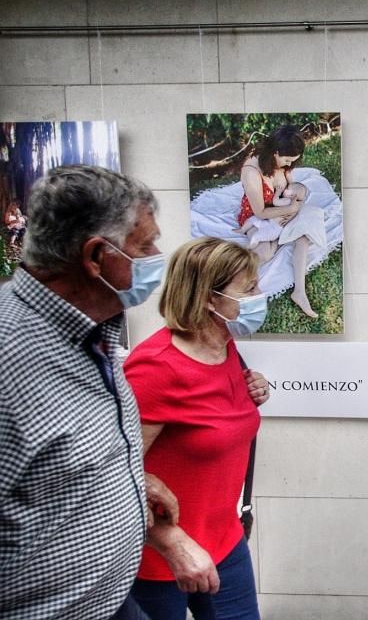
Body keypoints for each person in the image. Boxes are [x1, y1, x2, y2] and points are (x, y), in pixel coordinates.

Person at [0, 164, 179, 619]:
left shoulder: (92, 330)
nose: (158, 255)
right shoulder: (10, 360)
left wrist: (129, 480)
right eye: (145, 245)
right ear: (97, 256)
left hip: (111, 601)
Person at [124, 237, 271, 620]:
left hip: (225, 541)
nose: (261, 295)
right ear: (209, 299)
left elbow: (215, 421)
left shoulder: (226, 347)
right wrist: (169, 542)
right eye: (249, 288)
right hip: (155, 560)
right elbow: (112, 472)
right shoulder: (155, 368)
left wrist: (254, 389)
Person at [237, 125, 321, 319]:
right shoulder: (252, 171)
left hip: (283, 212)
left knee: (304, 236)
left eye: (293, 160)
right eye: (286, 159)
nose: (289, 164)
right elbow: (260, 211)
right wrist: (291, 209)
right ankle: (235, 278)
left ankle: (299, 292)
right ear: (275, 152)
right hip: (257, 216)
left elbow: (292, 188)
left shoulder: (284, 164)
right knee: (265, 254)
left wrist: (294, 204)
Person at [233, 180, 308, 248]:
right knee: (254, 219)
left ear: (292, 196)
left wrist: (277, 193)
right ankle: (243, 230)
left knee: (257, 234)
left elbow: (275, 202)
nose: (285, 189)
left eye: (287, 189)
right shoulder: (296, 204)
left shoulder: (287, 201)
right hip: (269, 223)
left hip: (274, 228)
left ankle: (252, 244)